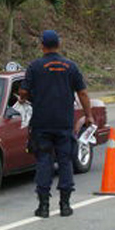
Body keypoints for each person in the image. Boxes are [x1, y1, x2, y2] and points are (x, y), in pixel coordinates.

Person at [19, 30, 94, 218]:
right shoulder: (70, 66)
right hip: (64, 123)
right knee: (65, 161)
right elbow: (82, 93)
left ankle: (43, 207)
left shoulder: (35, 66)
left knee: (44, 161)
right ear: (58, 44)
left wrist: (25, 97)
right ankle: (65, 205)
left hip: (42, 123)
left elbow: (23, 93)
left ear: (42, 45)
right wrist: (89, 116)